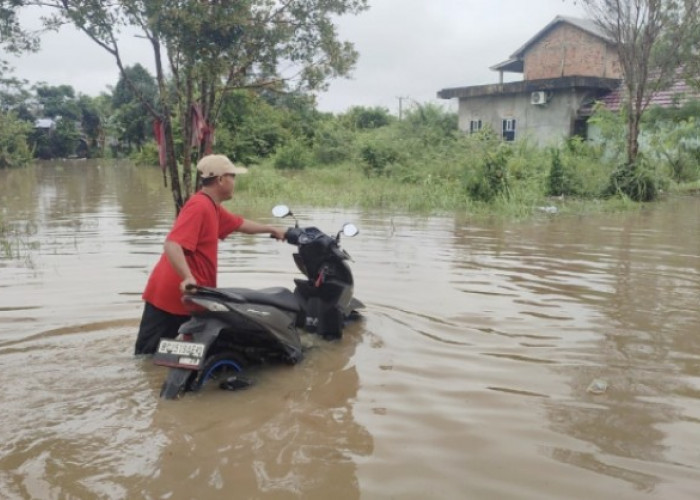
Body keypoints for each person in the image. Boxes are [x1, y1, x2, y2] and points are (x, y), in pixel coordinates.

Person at [134, 154, 286, 355]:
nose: (234, 182)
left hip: (195, 296)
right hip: (171, 295)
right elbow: (172, 244)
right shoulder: (199, 206)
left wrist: (271, 229)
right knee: (147, 356)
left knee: (186, 354)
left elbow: (239, 224)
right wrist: (188, 276)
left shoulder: (213, 207)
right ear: (221, 179)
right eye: (232, 177)